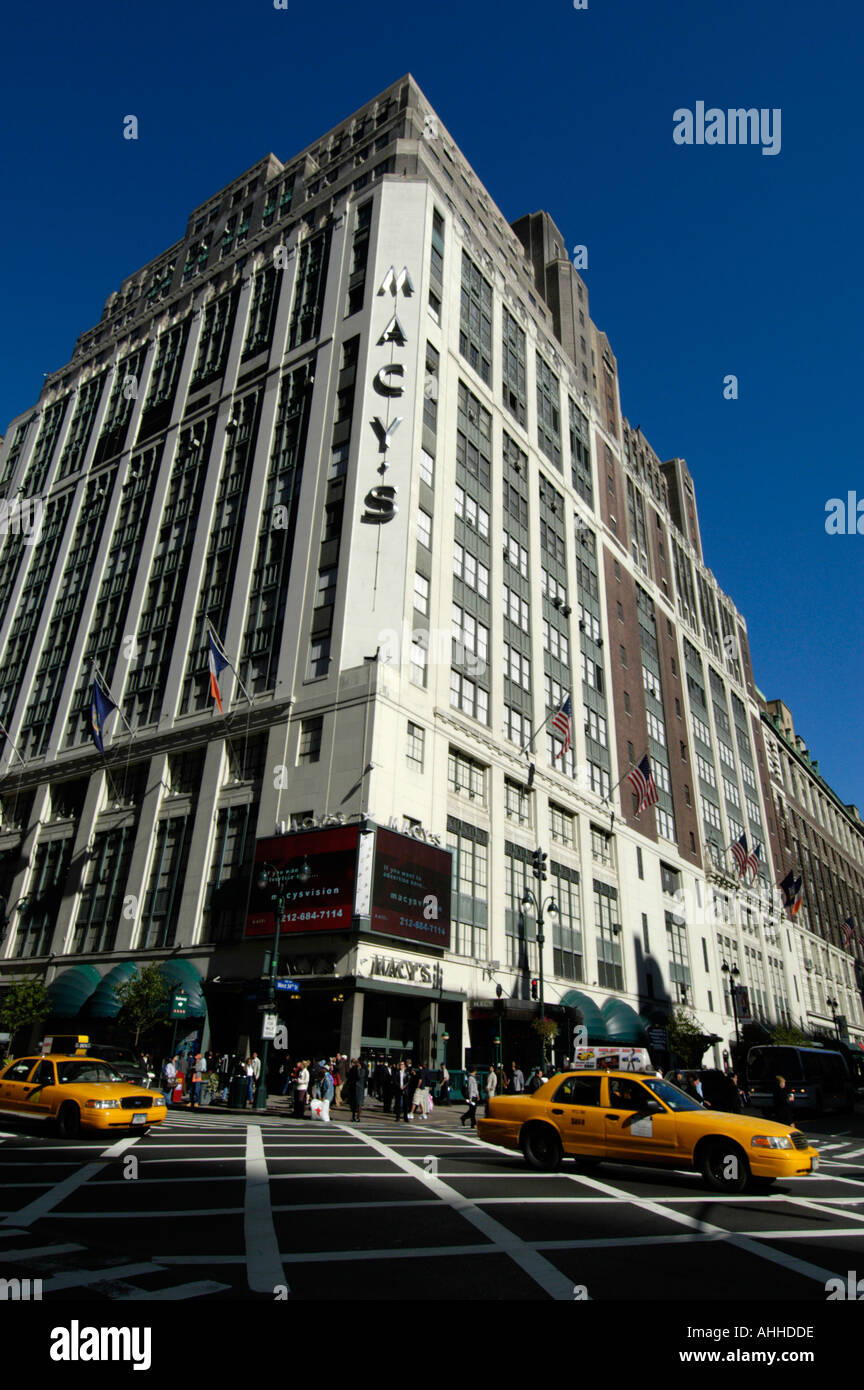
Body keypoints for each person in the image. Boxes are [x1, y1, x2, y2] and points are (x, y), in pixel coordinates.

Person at [347, 1057, 366, 1122]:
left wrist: (358, 1069)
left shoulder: (363, 1070)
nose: (356, 1064)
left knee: (359, 1103)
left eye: (357, 1063)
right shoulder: (353, 1069)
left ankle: (358, 1117)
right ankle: (353, 1116)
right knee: (353, 1103)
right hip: (354, 1088)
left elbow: (359, 1077)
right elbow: (349, 1076)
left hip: (360, 1089)